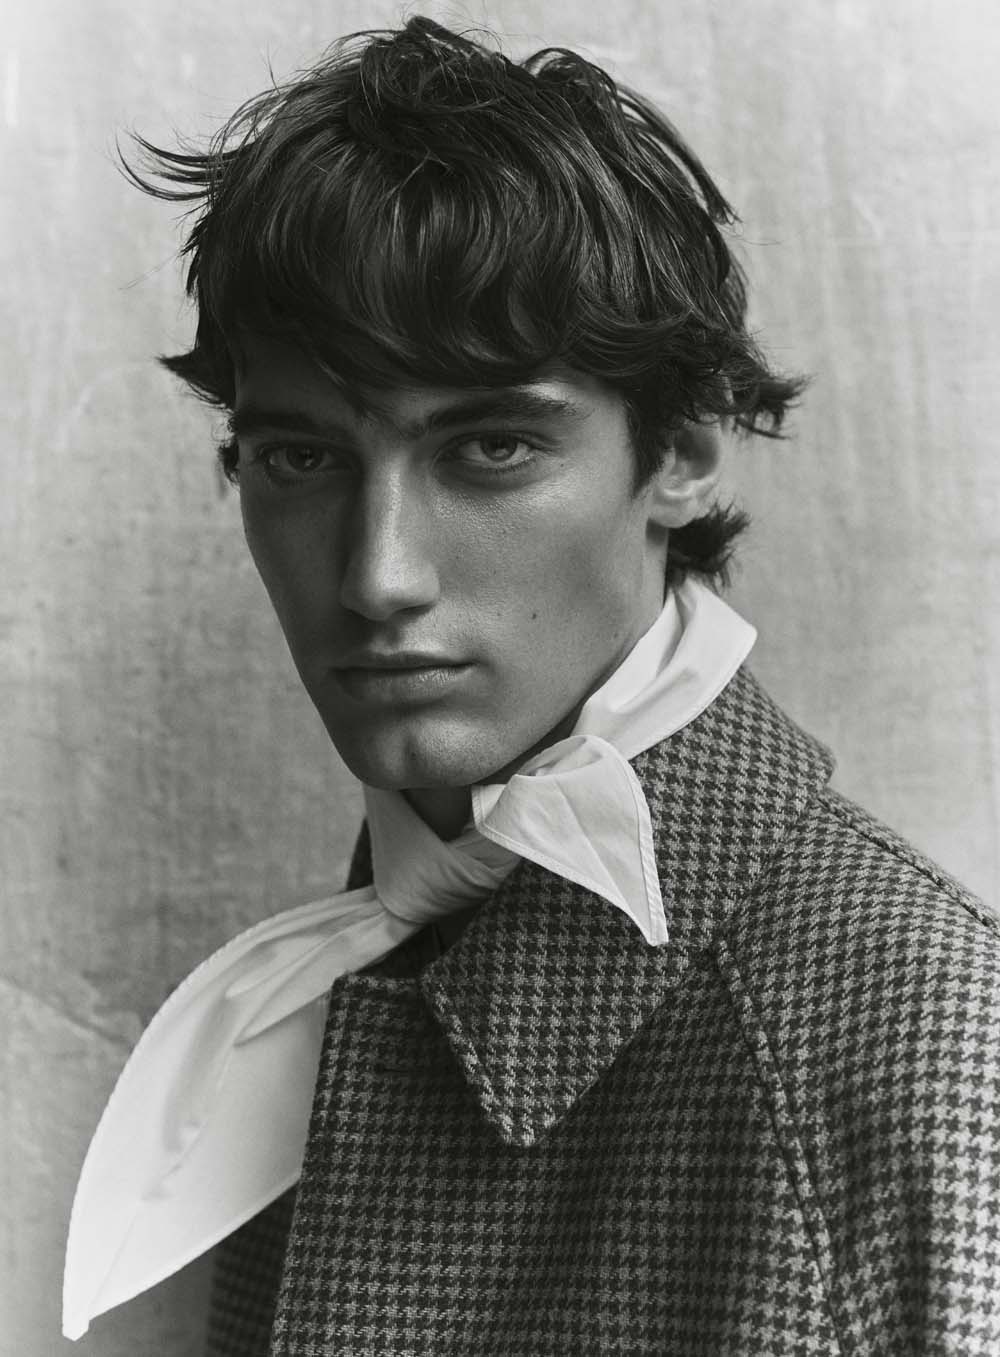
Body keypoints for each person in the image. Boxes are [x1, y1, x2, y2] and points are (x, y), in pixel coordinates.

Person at [63, 15, 1000, 1355]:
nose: (378, 576)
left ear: (680, 454)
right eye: (301, 459)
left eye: (491, 447)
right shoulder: (344, 981)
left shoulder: (932, 1049)